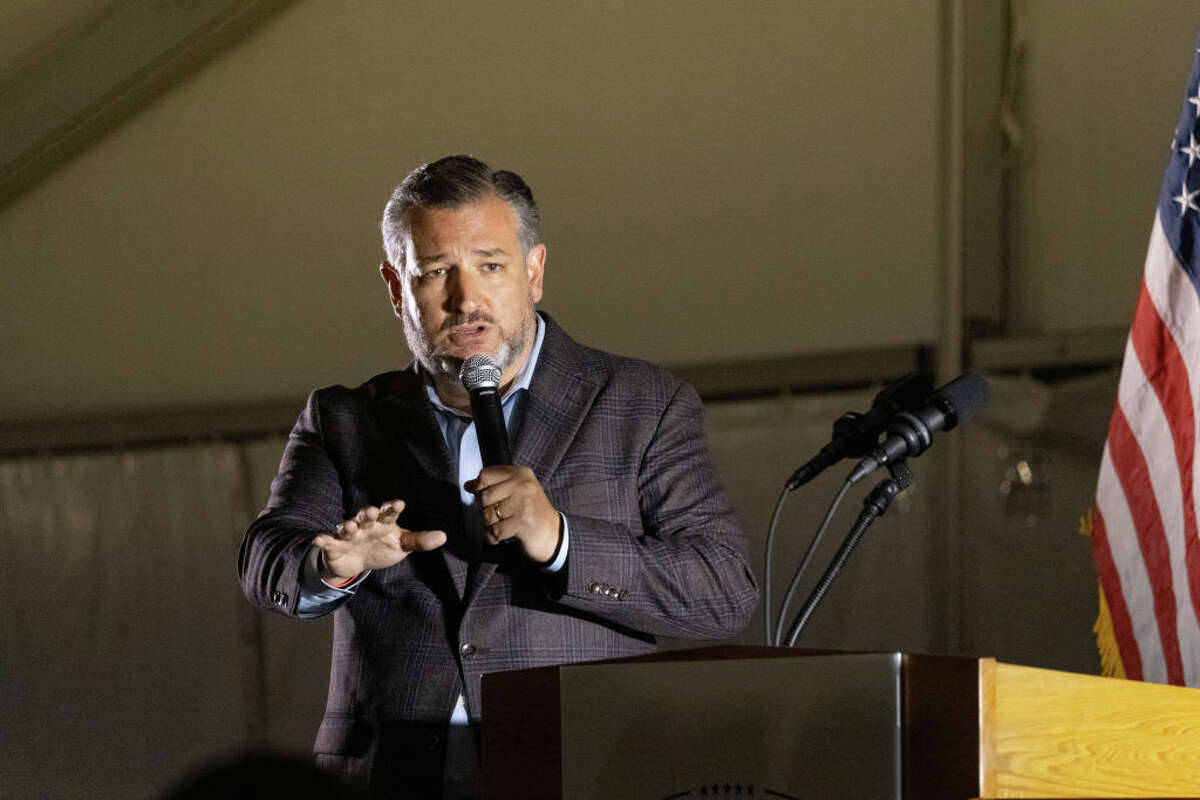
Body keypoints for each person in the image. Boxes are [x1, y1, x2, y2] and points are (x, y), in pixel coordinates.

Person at [238, 155, 758, 798]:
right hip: (390, 777)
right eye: (436, 272)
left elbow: (722, 593)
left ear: (534, 272)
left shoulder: (641, 403)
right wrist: (332, 563)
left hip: (579, 771)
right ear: (397, 288)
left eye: (490, 266)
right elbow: (264, 559)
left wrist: (561, 541)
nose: (466, 300)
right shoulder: (345, 418)